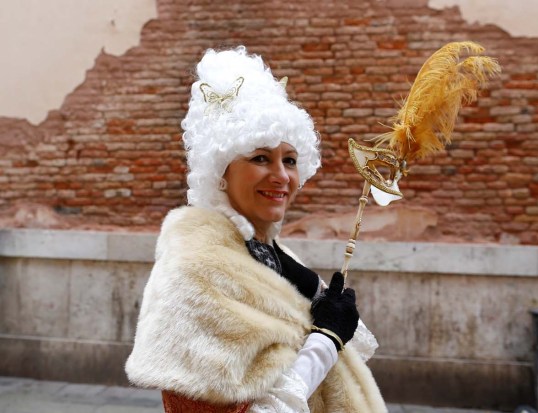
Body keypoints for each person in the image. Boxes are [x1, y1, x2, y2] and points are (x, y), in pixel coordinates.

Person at [125, 46, 387, 413]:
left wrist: (317, 295)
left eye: (290, 160)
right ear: (221, 171)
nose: (281, 176)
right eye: (260, 157)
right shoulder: (194, 270)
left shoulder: (277, 257)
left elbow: (351, 354)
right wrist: (324, 341)